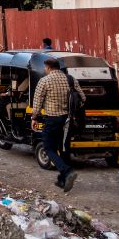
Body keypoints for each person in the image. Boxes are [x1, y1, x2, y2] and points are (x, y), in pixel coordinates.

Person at [32, 57, 84, 192]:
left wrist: (34, 117)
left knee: (49, 147)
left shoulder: (44, 80)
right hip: (69, 120)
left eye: (45, 68)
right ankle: (63, 180)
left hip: (53, 119)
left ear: (48, 68)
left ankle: (67, 171)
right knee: (64, 148)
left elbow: (37, 102)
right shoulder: (71, 79)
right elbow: (82, 98)